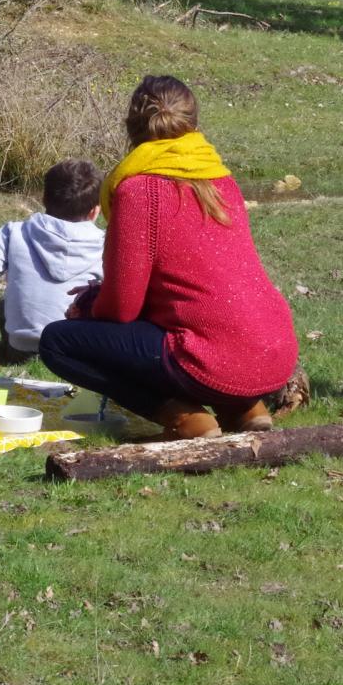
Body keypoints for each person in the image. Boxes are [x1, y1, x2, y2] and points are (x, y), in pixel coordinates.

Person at [37, 75, 299, 440]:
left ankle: (187, 419)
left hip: (214, 357)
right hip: (273, 351)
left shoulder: (138, 190)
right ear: (193, 123)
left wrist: (89, 303)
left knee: (57, 342)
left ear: (131, 126)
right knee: (189, 333)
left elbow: (122, 309)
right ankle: (243, 408)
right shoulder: (221, 177)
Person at [0, 159, 104, 368]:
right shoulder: (107, 244)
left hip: (21, 351)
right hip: (78, 352)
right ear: (95, 211)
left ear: (44, 199)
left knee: (4, 304)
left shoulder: (14, 232)